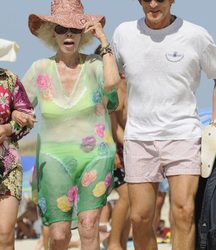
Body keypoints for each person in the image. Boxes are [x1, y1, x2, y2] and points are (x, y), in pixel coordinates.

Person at [111, 1, 216, 249]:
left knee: (184, 212)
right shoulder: (123, 33)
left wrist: (215, 124)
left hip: (183, 134)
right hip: (139, 138)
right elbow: (113, 83)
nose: (153, 4)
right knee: (140, 217)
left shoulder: (195, 35)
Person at [13, 0, 120, 249]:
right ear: (53, 33)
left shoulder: (95, 66)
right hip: (53, 160)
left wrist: (103, 41)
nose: (68, 33)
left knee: (89, 225)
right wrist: (20, 116)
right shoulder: (40, 69)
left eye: (75, 29)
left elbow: (113, 83)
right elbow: (19, 106)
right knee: (59, 234)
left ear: (83, 34)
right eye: (61, 28)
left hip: (96, 156)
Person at [0, 38, 35, 250]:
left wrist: (8, 127)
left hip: (8, 166)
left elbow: (29, 117)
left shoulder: (9, 79)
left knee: (5, 232)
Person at [108, 78, 131, 250]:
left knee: (132, 199)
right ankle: (114, 243)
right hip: (115, 148)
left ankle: (121, 242)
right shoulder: (112, 93)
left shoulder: (131, 90)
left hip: (128, 148)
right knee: (126, 196)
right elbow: (114, 128)